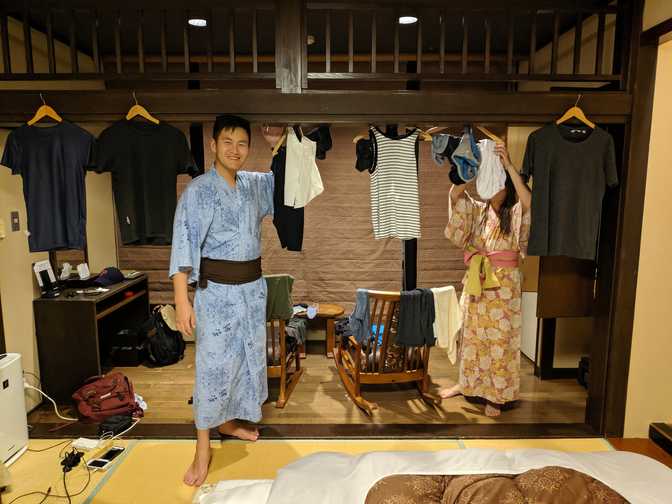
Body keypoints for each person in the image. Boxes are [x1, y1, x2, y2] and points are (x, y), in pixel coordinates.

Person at [169, 115, 274, 486]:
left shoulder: (254, 185)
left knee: (244, 363)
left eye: (242, 143)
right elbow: (183, 246)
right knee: (212, 370)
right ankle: (202, 448)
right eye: (227, 142)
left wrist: (277, 144)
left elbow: (289, 188)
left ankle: (229, 423)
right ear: (213, 145)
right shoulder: (198, 191)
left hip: (251, 291)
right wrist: (183, 300)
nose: (235, 150)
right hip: (216, 296)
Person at [440, 143, 531, 417]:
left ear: (507, 185)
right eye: (488, 182)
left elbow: (529, 202)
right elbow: (455, 196)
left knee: (499, 340)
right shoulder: (477, 210)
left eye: (498, 182)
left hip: (503, 285)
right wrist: (474, 168)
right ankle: (467, 384)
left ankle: (497, 395)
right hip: (477, 280)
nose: (493, 188)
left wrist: (508, 166)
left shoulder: (514, 212)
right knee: (471, 335)